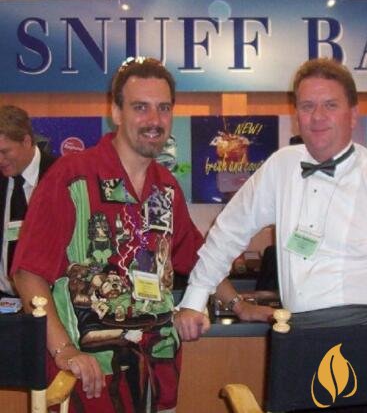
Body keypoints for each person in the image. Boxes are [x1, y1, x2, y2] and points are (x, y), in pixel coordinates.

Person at [174, 57, 367, 338]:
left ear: (353, 114)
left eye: (330, 105)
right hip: (299, 332)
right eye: (307, 106)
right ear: (297, 115)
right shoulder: (281, 166)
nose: (317, 117)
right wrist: (193, 301)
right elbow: (228, 232)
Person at [11, 57, 247, 413]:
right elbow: (27, 273)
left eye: (163, 108)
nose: (154, 120)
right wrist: (65, 350)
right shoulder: (72, 177)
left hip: (157, 371)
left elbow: (198, 257)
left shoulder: (165, 188)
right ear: (116, 113)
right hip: (87, 377)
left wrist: (238, 304)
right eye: (140, 107)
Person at [0, 105, 56, 296]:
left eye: (5, 152)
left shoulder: (60, 176)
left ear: (26, 141)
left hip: (48, 300)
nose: (0, 160)